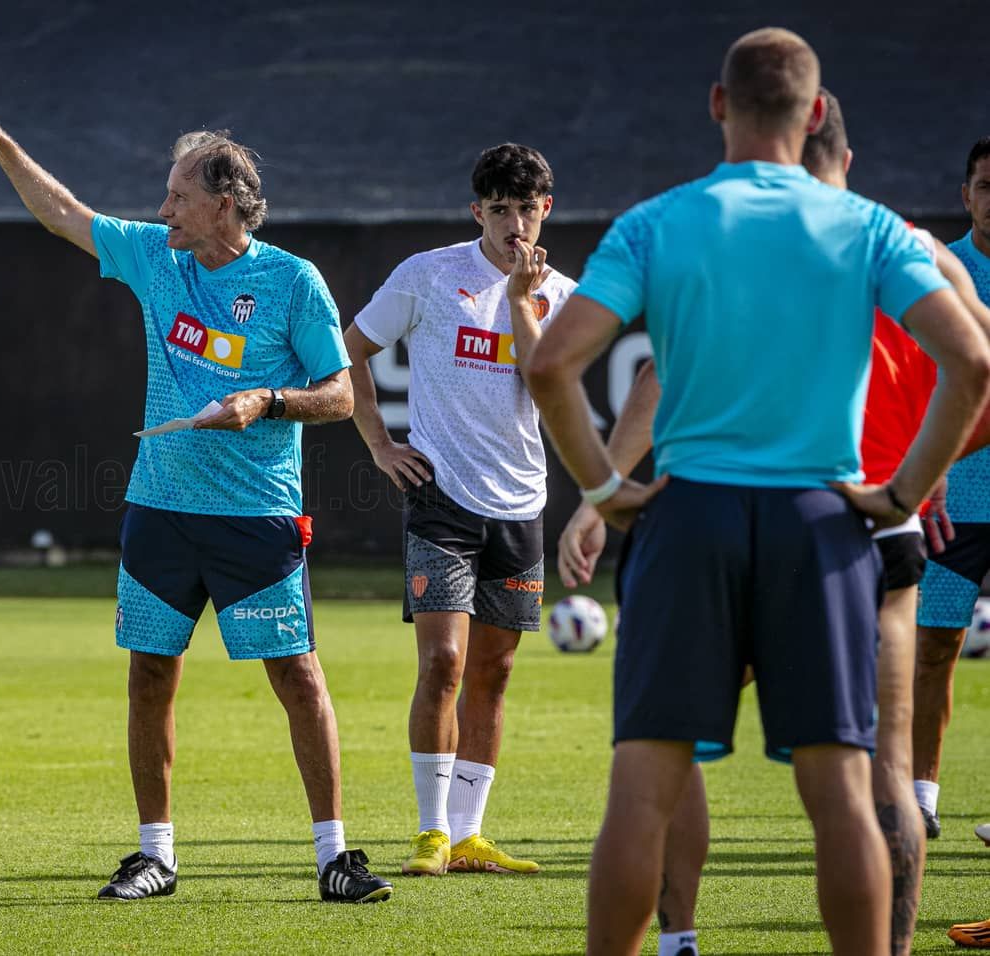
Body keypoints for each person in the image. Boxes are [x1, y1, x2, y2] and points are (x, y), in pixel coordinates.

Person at [525, 28, 990, 956]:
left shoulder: (657, 223)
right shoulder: (865, 227)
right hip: (823, 525)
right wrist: (903, 494)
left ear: (716, 105)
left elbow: (550, 366)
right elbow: (973, 360)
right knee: (842, 790)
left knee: (642, 786)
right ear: (817, 115)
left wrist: (609, 489)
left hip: (688, 515)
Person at [0, 94, 393, 904]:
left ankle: (334, 858)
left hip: (257, 519)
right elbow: (61, 214)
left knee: (300, 679)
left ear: (223, 203)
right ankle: (155, 856)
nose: (161, 209)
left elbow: (341, 397)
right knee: (150, 676)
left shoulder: (291, 281)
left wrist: (266, 403)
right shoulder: (156, 258)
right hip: (161, 514)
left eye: (177, 195)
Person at [342, 144, 574, 878]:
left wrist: (519, 306)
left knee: (494, 675)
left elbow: (549, 394)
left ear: (546, 210)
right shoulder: (428, 275)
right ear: (477, 211)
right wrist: (380, 444)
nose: (513, 225)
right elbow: (347, 352)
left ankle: (472, 836)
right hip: (440, 500)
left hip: (522, 502)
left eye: (525, 209)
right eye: (498, 210)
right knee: (443, 662)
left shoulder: (562, 296)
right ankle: (430, 833)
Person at [914, 135, 990, 842]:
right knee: (934, 646)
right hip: (950, 500)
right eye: (986, 185)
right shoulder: (938, 273)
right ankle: (921, 798)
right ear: (967, 195)